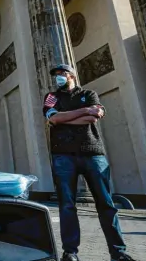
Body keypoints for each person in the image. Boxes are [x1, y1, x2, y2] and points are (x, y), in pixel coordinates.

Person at [42, 64, 133, 261]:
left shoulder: (89, 93)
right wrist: (83, 112)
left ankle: (118, 252)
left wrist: (65, 118)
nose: (58, 77)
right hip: (63, 154)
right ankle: (70, 252)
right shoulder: (51, 97)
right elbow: (53, 119)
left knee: (106, 204)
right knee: (67, 205)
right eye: (56, 74)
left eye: (62, 73)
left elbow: (95, 116)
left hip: (93, 153)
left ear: (72, 75)